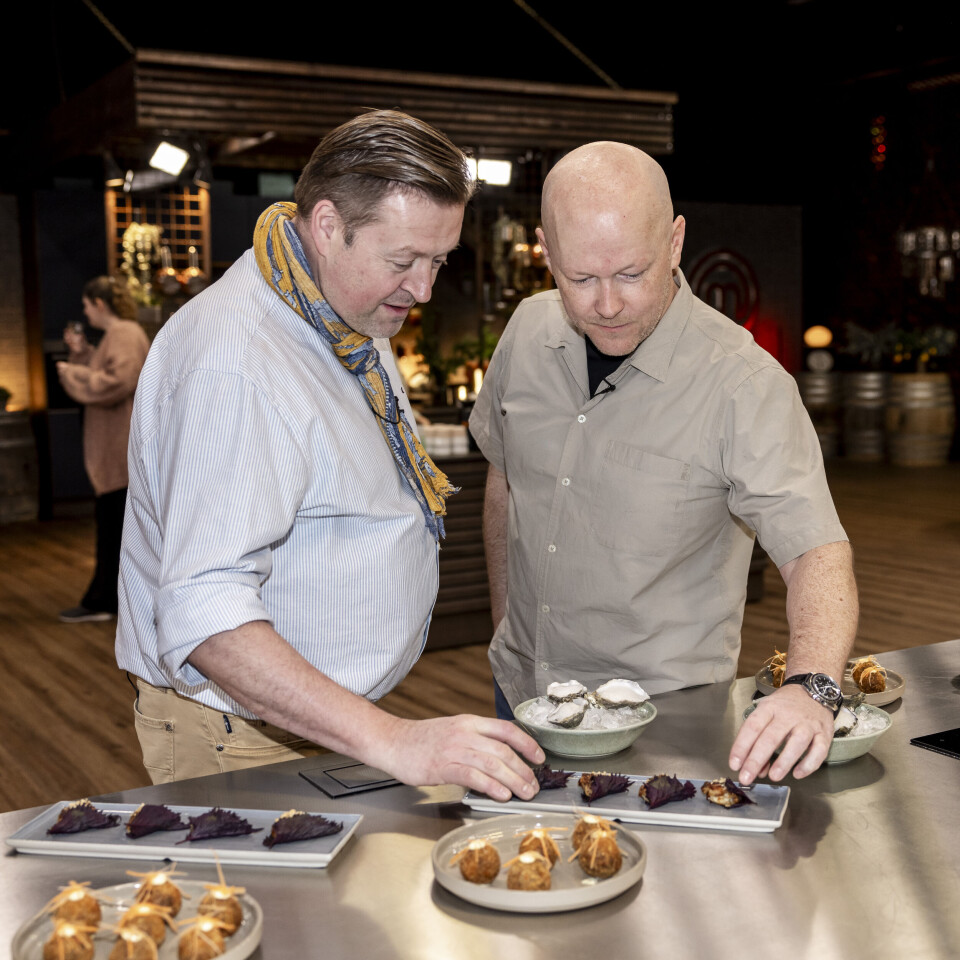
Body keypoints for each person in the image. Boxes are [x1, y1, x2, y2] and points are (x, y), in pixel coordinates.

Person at [115, 110, 543, 801]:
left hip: (321, 722)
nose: (424, 289)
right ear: (324, 226)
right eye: (404, 261)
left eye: (438, 261)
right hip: (243, 734)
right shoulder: (240, 366)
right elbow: (204, 614)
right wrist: (395, 739)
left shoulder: (339, 304)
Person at [469, 141, 858, 787]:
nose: (606, 304)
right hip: (522, 695)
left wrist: (812, 687)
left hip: (664, 720)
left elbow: (816, 552)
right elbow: (506, 481)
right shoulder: (526, 331)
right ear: (544, 251)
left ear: (675, 242)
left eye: (630, 273)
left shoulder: (743, 382)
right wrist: (506, 626)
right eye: (579, 278)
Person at [57, 276, 150, 622]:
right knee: (112, 527)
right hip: (115, 448)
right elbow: (106, 371)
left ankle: (105, 601)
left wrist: (73, 372)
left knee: (114, 529)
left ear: (99, 304)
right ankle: (106, 599)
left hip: (119, 449)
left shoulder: (124, 334)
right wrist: (81, 355)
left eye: (85, 305)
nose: (84, 312)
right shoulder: (118, 335)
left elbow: (117, 383)